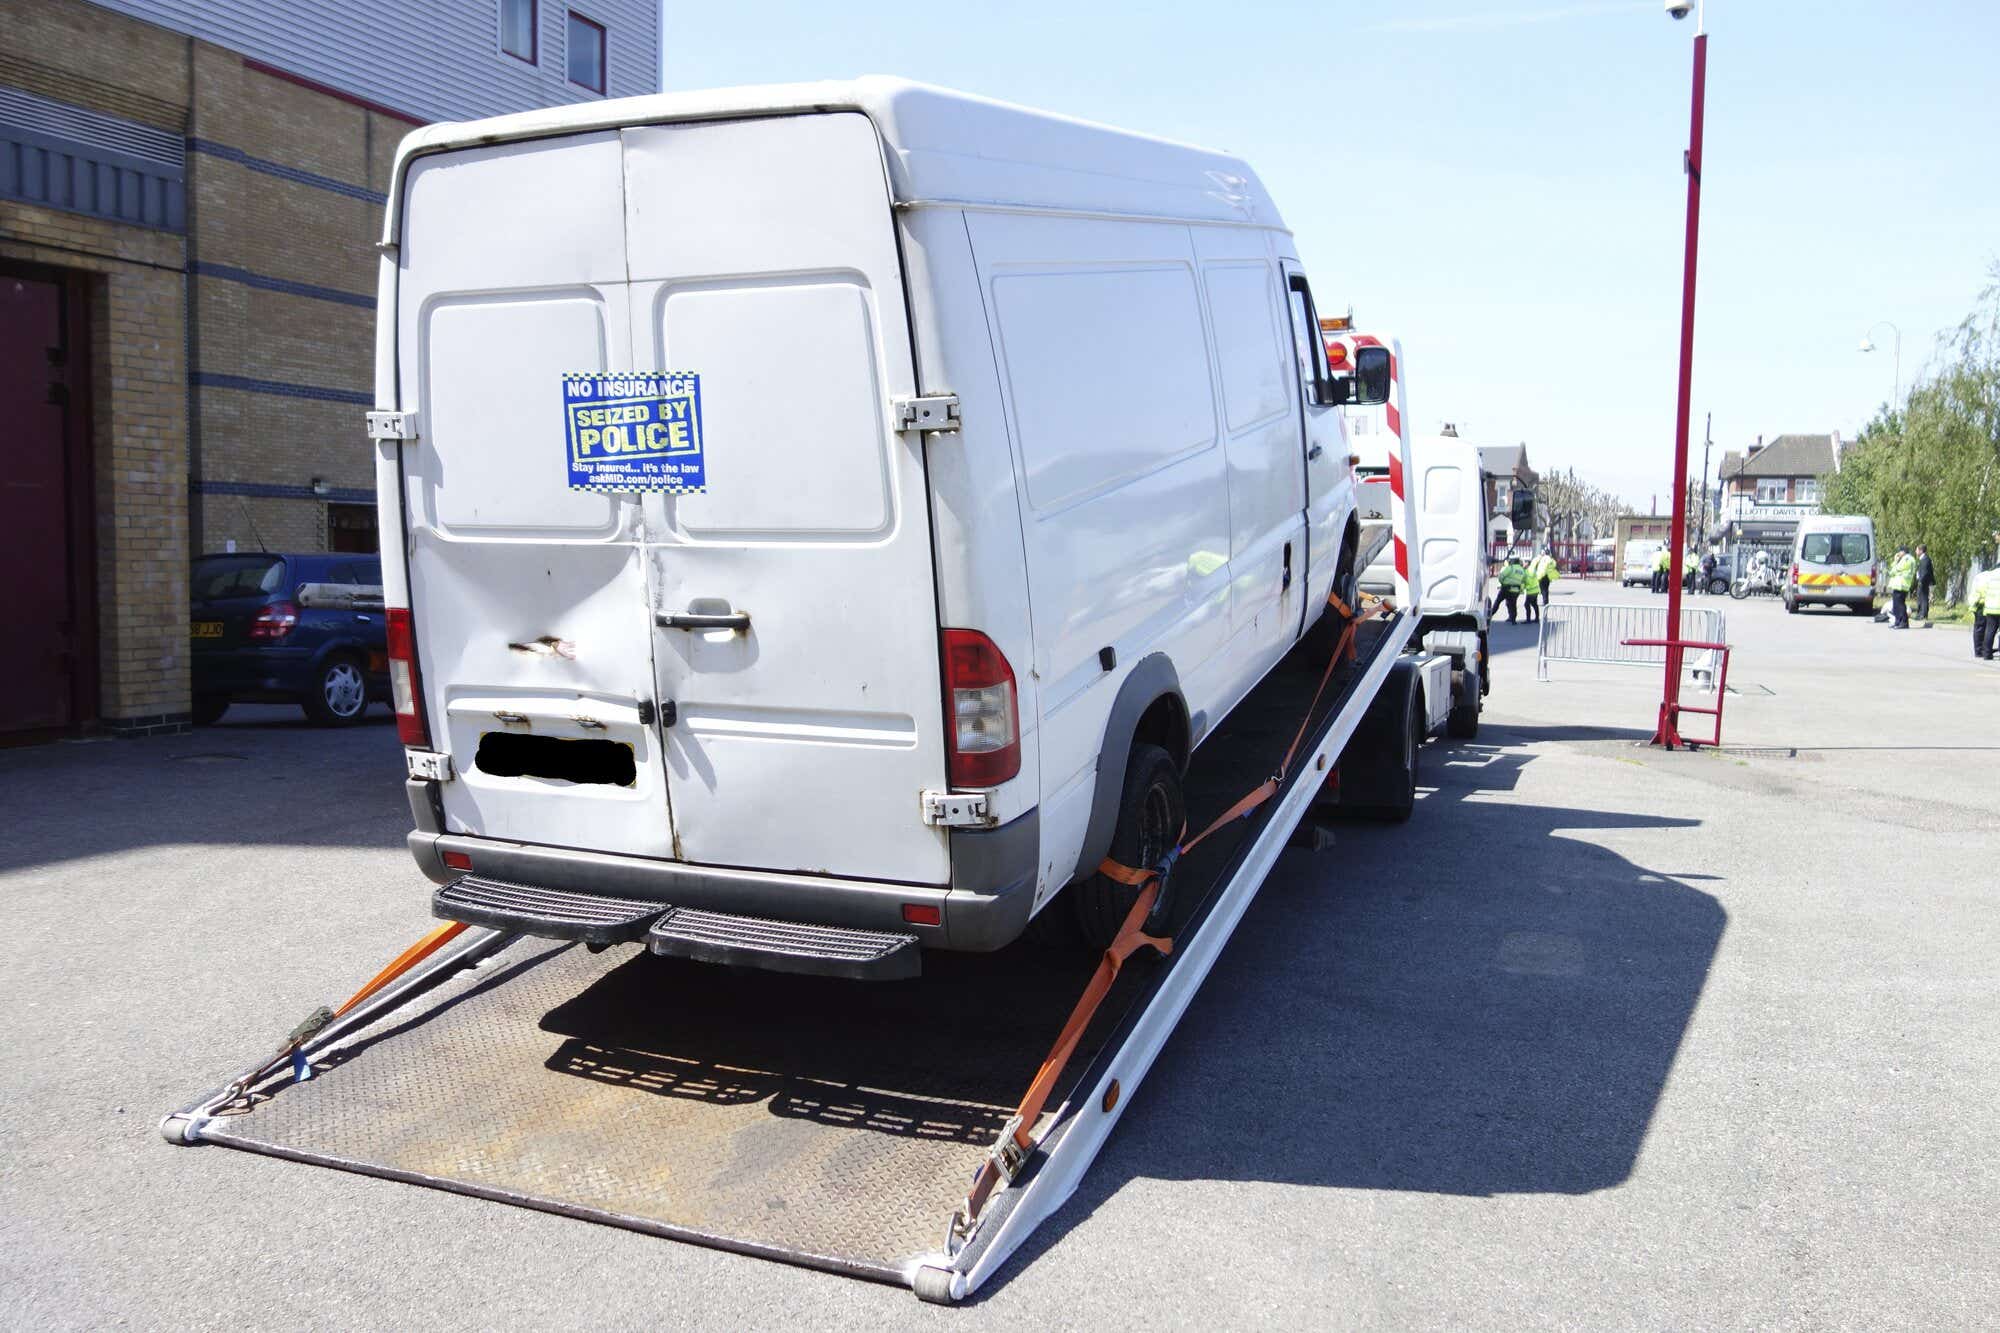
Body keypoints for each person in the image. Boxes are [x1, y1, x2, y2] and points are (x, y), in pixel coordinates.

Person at [1884, 544, 1917, 629]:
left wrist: (1895, 563)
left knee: (1900, 605)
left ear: (1903, 551)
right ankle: (1898, 621)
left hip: (1902, 584)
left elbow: (1897, 569)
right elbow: (1894, 568)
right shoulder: (1905, 558)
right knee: (1896, 605)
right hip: (1899, 584)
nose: (1898, 553)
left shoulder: (1907, 558)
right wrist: (1896, 561)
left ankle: (1904, 622)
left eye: (1900, 551)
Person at [1493, 555, 1526, 623]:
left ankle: (1490, 615)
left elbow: (1501, 576)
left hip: (1506, 588)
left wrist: (1502, 583)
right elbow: (1523, 581)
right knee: (1513, 604)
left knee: (1498, 602)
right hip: (1516, 590)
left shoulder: (1510, 568)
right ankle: (1513, 619)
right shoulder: (1522, 570)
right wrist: (1521, 590)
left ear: (1512, 561)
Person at [1914, 544, 1934, 624]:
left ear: (1921, 551)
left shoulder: (1926, 559)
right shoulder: (1922, 559)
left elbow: (1925, 573)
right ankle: (1919, 614)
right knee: (1920, 598)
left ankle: (1923, 614)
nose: (1916, 551)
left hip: (1923, 582)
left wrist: (1921, 581)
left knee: (1923, 598)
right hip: (1921, 581)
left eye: (1917, 550)